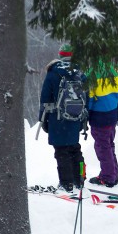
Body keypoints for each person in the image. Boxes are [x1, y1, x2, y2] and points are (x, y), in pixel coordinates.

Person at [38, 44, 86, 192]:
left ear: (60, 55)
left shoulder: (53, 73)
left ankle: (67, 184)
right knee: (75, 149)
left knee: (61, 151)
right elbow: (86, 97)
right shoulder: (80, 73)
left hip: (57, 119)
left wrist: (43, 119)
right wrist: (84, 119)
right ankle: (80, 180)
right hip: (75, 118)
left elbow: (45, 98)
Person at [87, 61, 118, 188]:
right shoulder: (114, 68)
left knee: (102, 146)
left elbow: (90, 96)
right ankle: (113, 175)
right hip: (112, 112)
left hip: (99, 114)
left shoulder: (92, 72)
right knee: (109, 144)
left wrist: (88, 112)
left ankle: (108, 177)